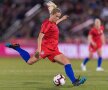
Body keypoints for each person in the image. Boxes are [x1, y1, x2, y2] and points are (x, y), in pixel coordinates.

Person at [6, 1, 86, 86]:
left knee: (67, 62)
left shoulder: (53, 22)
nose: (57, 18)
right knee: (29, 62)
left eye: (58, 17)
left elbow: (55, 23)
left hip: (54, 49)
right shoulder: (46, 24)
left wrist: (62, 19)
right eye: (57, 16)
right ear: (52, 15)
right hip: (46, 49)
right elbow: (40, 37)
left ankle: (74, 81)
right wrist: (39, 49)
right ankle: (17, 48)